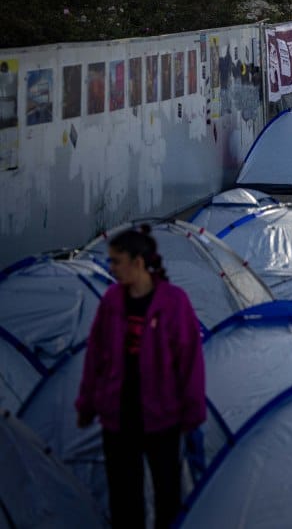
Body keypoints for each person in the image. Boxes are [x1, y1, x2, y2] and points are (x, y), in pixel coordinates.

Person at [77, 226, 205, 529]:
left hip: (162, 416)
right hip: (118, 416)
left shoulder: (174, 302)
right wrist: (87, 402)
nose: (112, 268)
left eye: (117, 261)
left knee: (167, 495)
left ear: (138, 262)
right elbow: (96, 353)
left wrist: (192, 412)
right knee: (124, 497)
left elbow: (190, 361)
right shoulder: (112, 301)